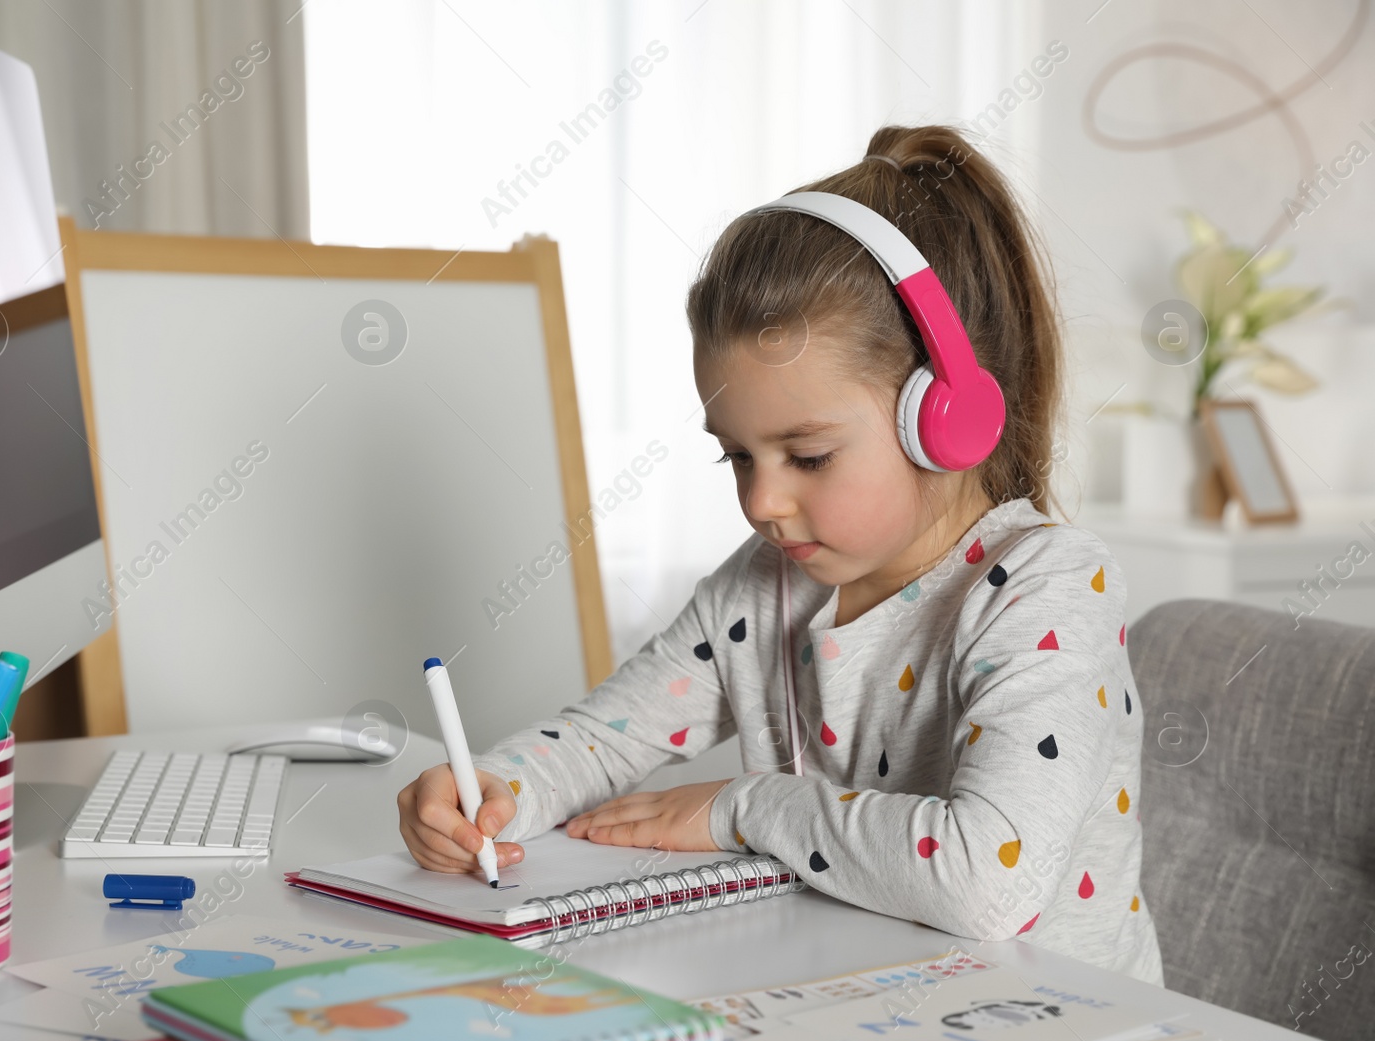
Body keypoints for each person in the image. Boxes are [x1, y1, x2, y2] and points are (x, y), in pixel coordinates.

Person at [396, 123, 1163, 984]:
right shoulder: (762, 589)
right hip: (863, 1015)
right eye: (737, 456)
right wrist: (493, 790)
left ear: (947, 419)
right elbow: (600, 741)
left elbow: (988, 882)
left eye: (808, 456)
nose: (762, 502)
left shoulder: (1050, 589)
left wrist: (741, 807)